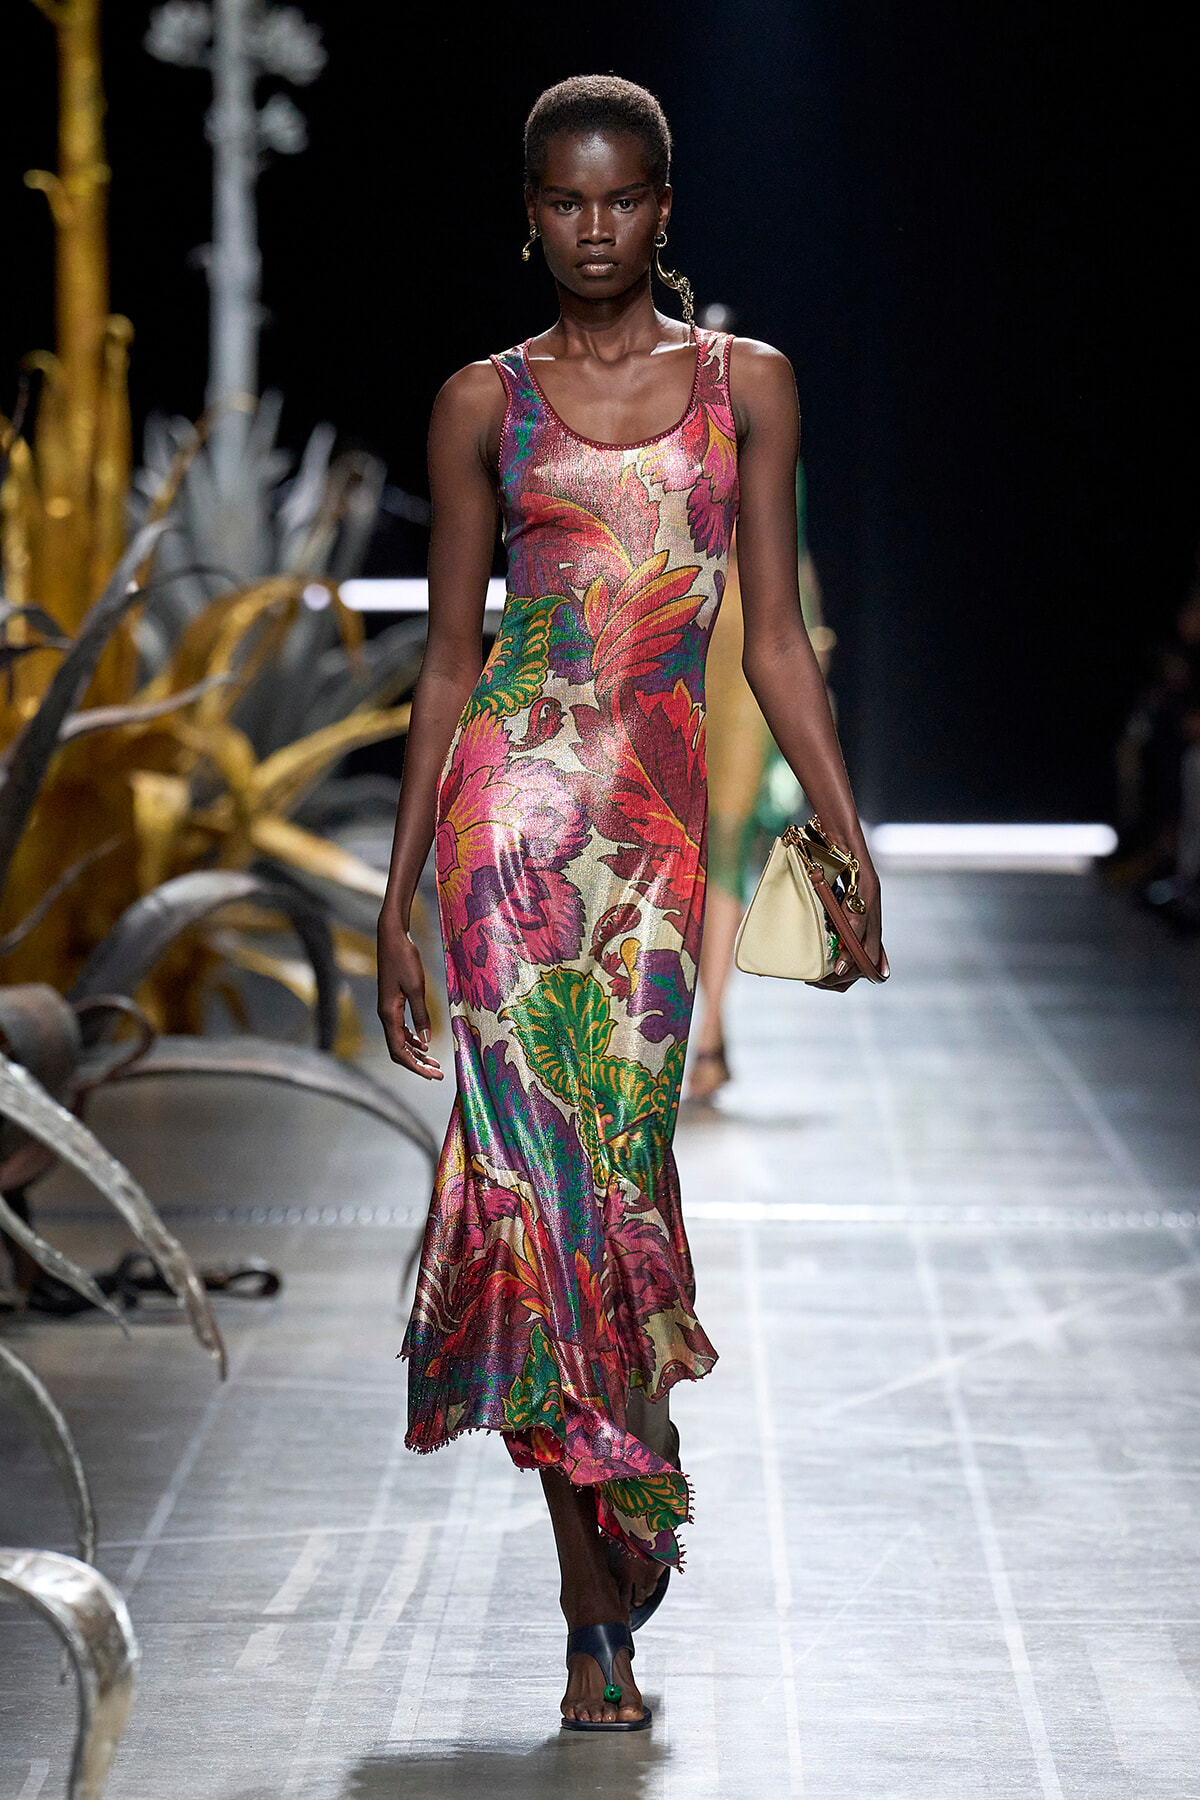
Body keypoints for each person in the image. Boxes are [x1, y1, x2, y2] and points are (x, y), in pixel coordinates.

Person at [376, 74, 882, 1732]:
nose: (594, 228)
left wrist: (844, 832)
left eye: (623, 200)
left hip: (655, 861)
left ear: (667, 209)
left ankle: (635, 1459)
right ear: (529, 213)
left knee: (617, 1180)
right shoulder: (481, 404)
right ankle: (594, 1610)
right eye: (564, 202)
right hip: (503, 847)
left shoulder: (748, 389)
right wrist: (398, 904)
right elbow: (449, 659)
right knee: (532, 1203)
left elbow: (776, 641)